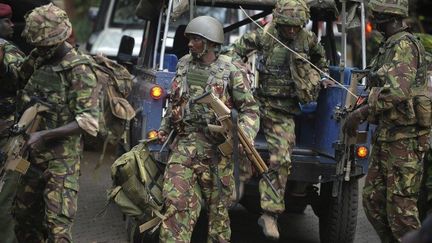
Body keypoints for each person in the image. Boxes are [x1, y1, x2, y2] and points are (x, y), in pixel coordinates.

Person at [230, 0, 329, 239]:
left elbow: (321, 62)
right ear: (279, 22)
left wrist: (319, 77)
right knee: (238, 141)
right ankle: (238, 181)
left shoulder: (307, 40)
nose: (292, 31)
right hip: (256, 103)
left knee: (282, 159)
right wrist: (237, 70)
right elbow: (235, 51)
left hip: (283, 110)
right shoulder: (265, 35)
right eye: (287, 26)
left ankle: (270, 214)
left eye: (296, 26)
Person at [157, 15, 260, 242]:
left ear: (211, 43)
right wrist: (165, 126)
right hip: (184, 147)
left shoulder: (231, 71)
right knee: (175, 206)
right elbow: (175, 101)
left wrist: (244, 134)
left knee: (218, 217)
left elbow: (250, 110)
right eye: (190, 39)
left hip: (217, 153)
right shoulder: (183, 64)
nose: (191, 44)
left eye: (196, 39)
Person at [343, 0, 430, 241]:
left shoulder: (403, 45)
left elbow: (397, 92)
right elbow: (377, 84)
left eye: (378, 17)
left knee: (401, 210)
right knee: (373, 201)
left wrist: (360, 114)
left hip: (405, 140)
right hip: (387, 135)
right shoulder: (389, 46)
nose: (374, 22)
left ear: (390, 19)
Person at [12, 3, 99, 242]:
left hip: (62, 162)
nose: (41, 49)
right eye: (37, 45)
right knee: (24, 220)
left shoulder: (79, 69)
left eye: (45, 45)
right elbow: (19, 84)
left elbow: (89, 122)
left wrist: (44, 136)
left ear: (59, 39)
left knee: (57, 227)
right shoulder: (38, 58)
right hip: (29, 159)